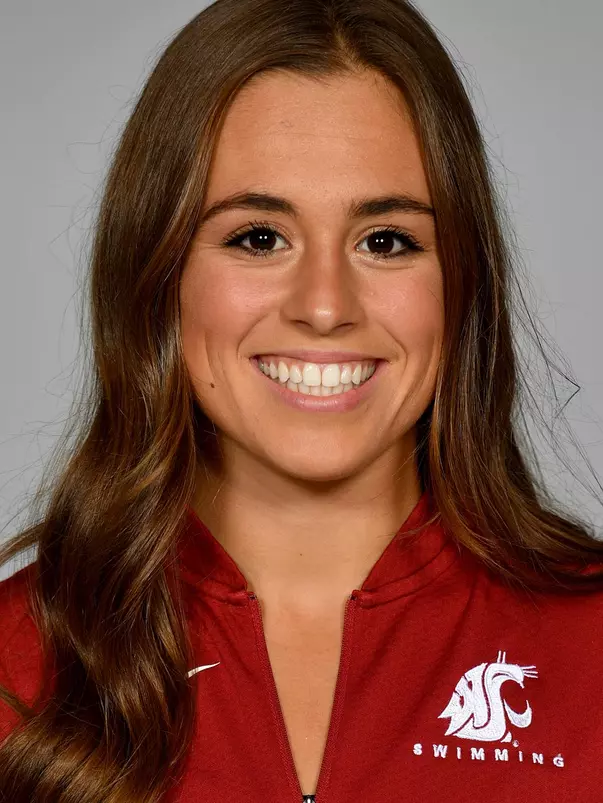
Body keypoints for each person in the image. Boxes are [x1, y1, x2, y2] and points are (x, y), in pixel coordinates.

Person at [0, 0, 602, 801]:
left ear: (461, 284)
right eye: (257, 236)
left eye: (385, 240)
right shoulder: (15, 661)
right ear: (156, 275)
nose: (324, 305)